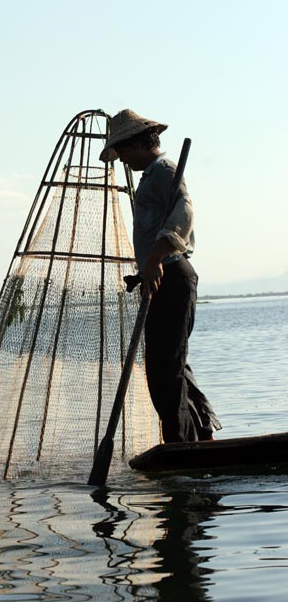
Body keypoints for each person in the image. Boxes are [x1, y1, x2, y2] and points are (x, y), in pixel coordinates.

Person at [100, 109, 222, 443]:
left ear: (139, 142)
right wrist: (147, 269)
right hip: (158, 277)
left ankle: (181, 445)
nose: (122, 158)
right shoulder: (150, 177)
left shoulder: (164, 171)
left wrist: (154, 257)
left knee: (163, 371)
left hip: (172, 274)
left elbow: (185, 210)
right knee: (171, 366)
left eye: (123, 150)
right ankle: (200, 436)